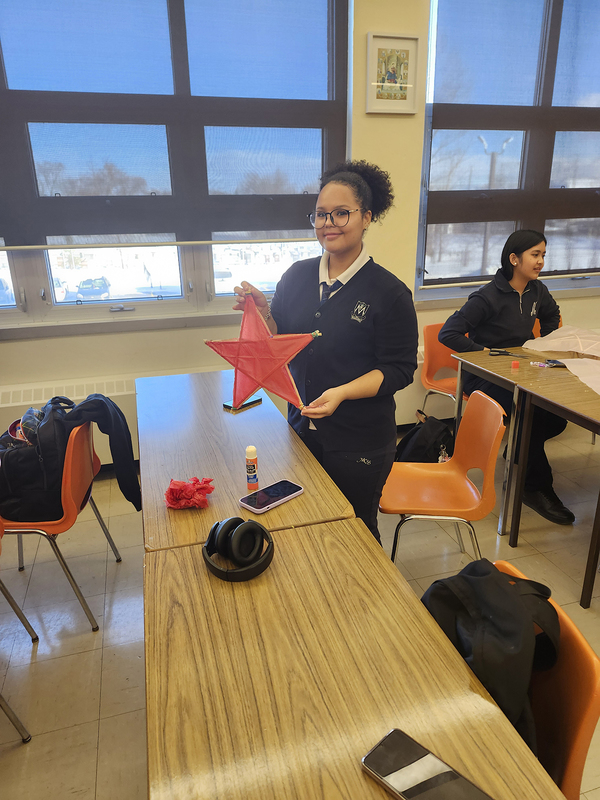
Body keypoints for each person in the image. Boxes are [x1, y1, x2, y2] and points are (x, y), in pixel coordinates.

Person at [233, 160, 418, 541]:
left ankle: (370, 601)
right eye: (320, 214)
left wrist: (342, 392)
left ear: (366, 217)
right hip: (300, 430)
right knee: (306, 524)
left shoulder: (390, 292)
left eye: (341, 213)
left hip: (359, 441)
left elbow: (399, 369)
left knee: (356, 533)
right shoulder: (297, 276)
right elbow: (279, 339)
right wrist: (263, 311)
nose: (327, 223)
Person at [439, 229, 573, 525]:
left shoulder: (538, 290)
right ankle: (534, 487)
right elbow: (447, 333)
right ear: (514, 258)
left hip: (521, 370)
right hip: (484, 378)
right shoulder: (487, 296)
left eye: (543, 256)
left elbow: (552, 315)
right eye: (535, 255)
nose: (540, 262)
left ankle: (520, 452)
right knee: (530, 414)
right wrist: (484, 352)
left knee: (555, 417)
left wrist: (543, 343)